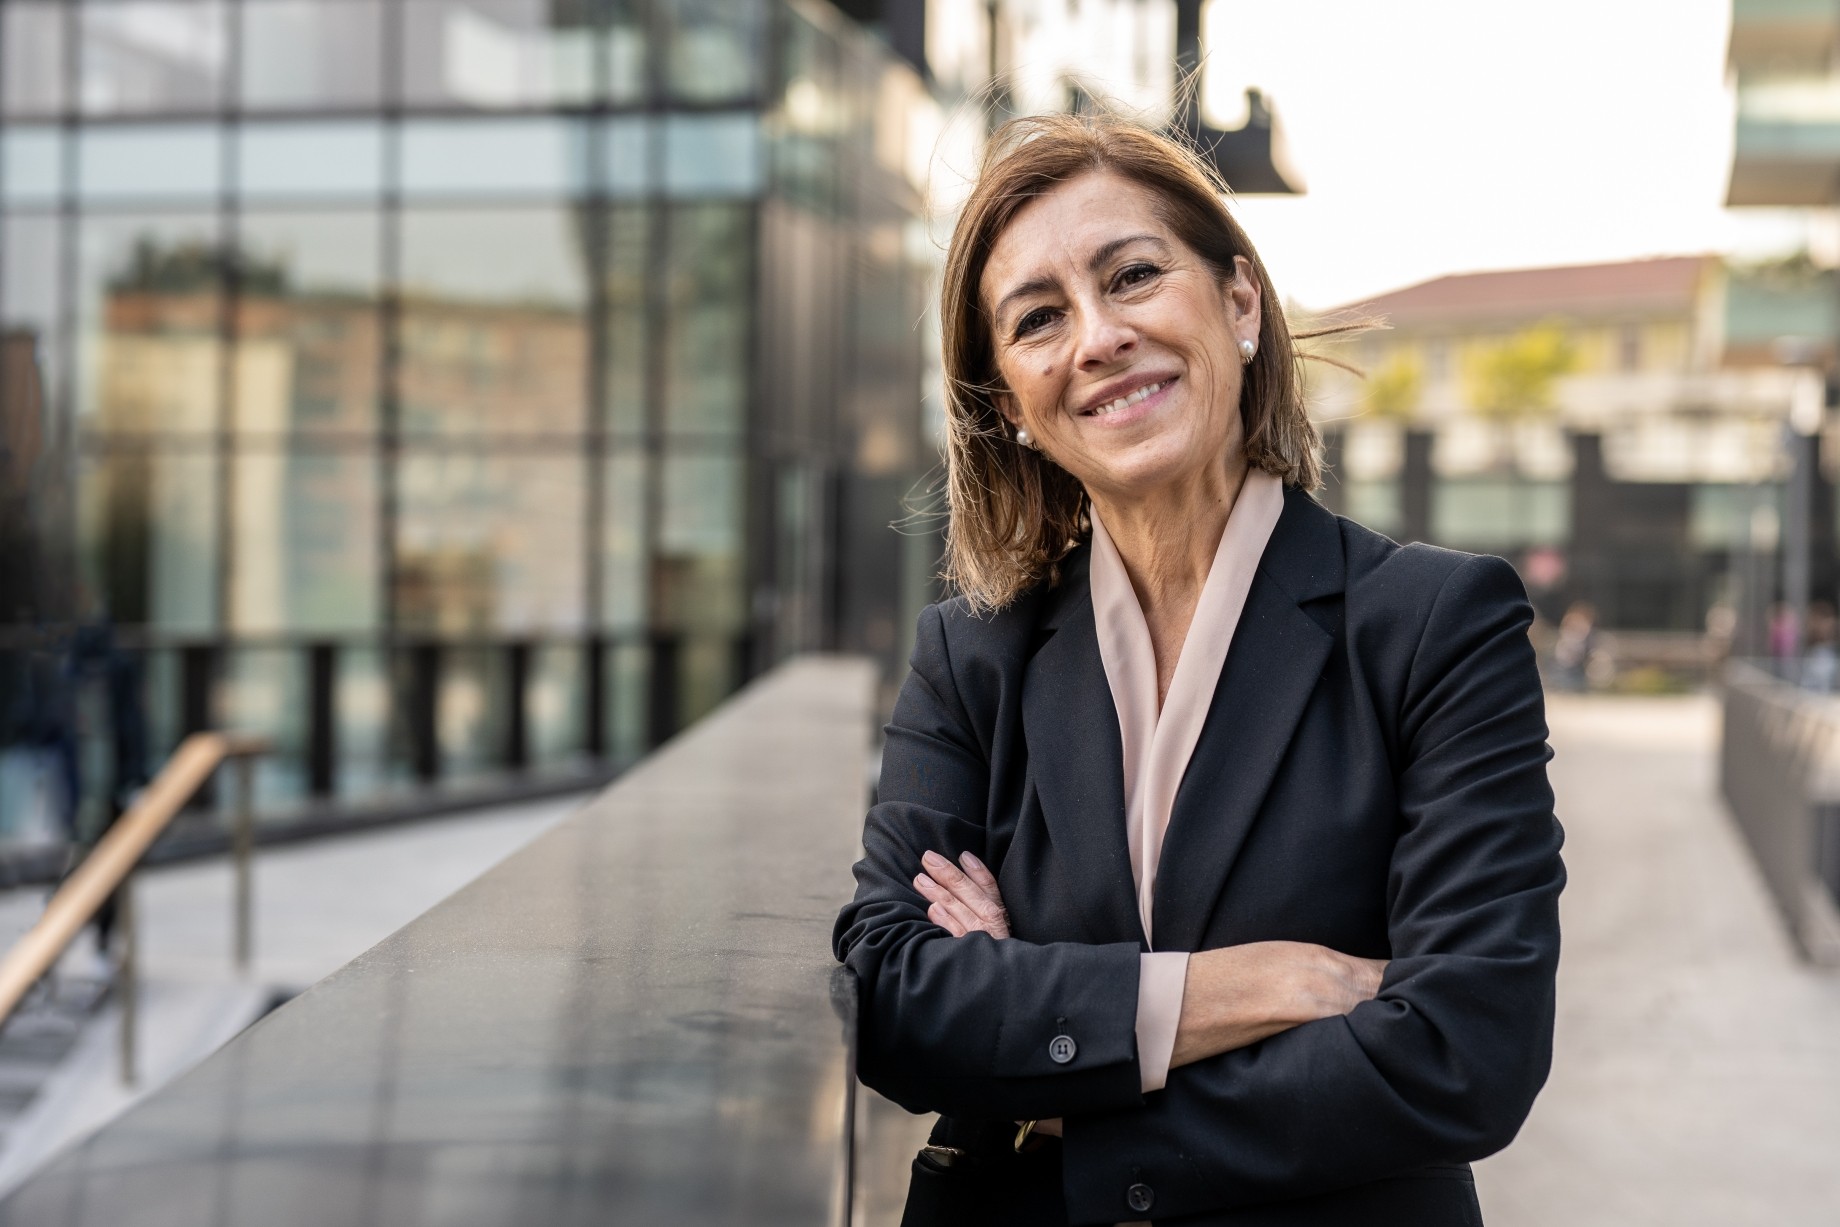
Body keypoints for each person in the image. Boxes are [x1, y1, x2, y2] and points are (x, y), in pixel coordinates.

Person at [833, 112, 1564, 1227]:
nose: (1097, 337)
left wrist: (1053, 1072)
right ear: (1010, 408)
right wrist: (1260, 988)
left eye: (1132, 276)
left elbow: (1469, 1049)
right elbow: (890, 997)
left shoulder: (1434, 627)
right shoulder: (969, 655)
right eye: (1038, 318)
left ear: (1239, 302)